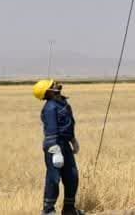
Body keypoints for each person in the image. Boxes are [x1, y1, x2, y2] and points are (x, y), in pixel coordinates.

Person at [34, 79, 83, 215]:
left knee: (72, 176)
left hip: (65, 144)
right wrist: (55, 150)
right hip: (54, 145)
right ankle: (48, 210)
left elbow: (68, 124)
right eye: (52, 85)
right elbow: (51, 129)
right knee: (54, 178)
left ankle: (69, 209)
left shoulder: (63, 103)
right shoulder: (50, 107)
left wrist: (73, 140)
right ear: (48, 92)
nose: (56, 84)